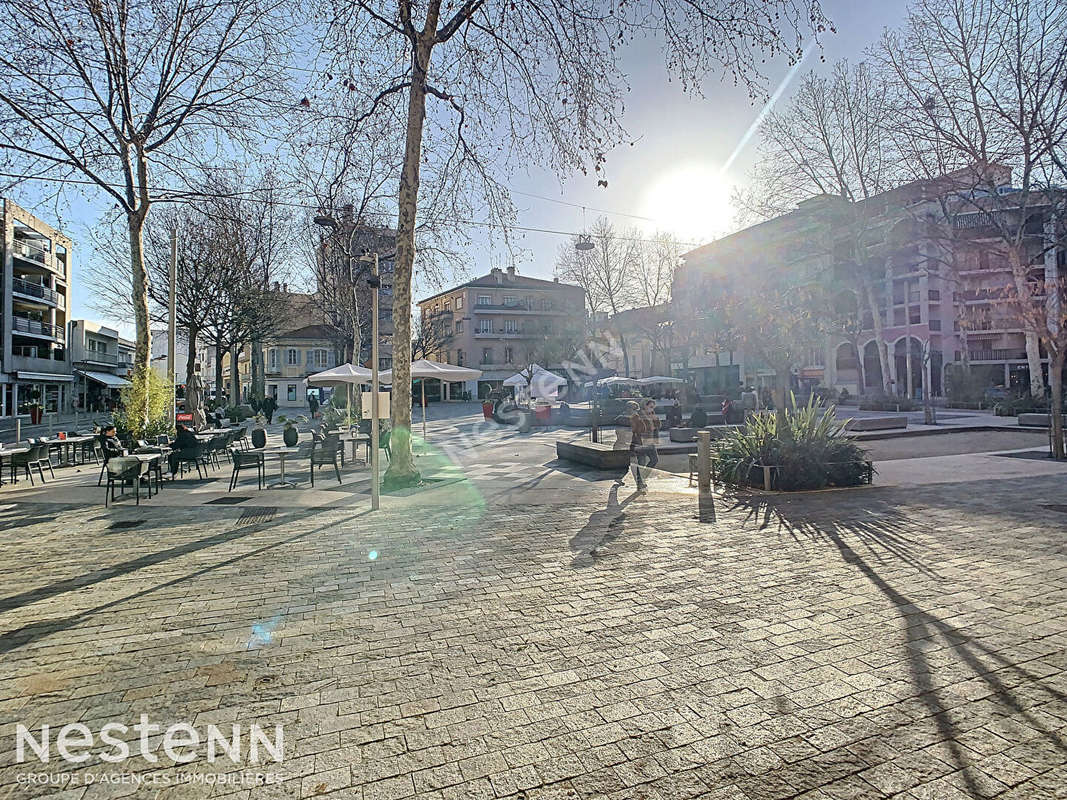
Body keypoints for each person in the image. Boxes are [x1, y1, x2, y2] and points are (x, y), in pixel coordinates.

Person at [628, 399, 659, 492]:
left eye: (653, 407)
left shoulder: (651, 415)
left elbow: (658, 426)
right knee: (641, 462)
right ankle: (640, 483)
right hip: (640, 442)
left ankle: (642, 478)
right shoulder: (637, 416)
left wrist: (655, 418)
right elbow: (638, 429)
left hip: (650, 441)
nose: (652, 409)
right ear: (645, 406)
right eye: (650, 407)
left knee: (654, 460)